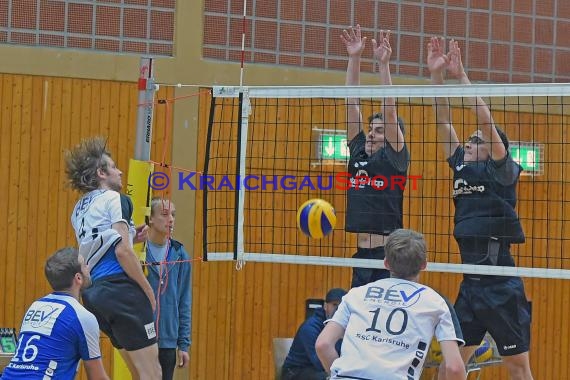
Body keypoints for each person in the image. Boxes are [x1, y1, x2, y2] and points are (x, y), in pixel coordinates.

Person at [427, 37, 533, 380]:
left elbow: (486, 121)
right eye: (470, 139)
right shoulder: (460, 164)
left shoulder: (501, 171)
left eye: (478, 140)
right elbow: (443, 122)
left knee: (517, 366)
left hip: (501, 285)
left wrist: (462, 77)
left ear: (492, 148)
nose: (471, 142)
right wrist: (436, 76)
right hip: (470, 285)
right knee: (452, 364)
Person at [65, 137, 162, 380]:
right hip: (121, 290)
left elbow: (99, 246)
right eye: (114, 166)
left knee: (138, 373)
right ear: (101, 172)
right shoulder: (117, 199)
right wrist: (148, 291)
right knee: (152, 374)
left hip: (94, 295)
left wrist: (130, 235)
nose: (120, 172)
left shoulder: (79, 209)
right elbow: (121, 252)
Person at [315, 229, 466, 380]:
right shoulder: (435, 302)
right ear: (424, 265)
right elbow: (454, 367)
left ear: (386, 263)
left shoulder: (355, 295)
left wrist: (339, 374)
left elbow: (323, 344)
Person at [340, 25, 409, 288]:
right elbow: (351, 102)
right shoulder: (358, 151)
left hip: (387, 258)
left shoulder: (395, 159)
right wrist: (354, 58)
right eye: (371, 129)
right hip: (361, 257)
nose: (371, 134)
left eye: (379, 131)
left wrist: (383, 64)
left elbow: (389, 113)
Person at [1, 248, 109, 380]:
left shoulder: (35, 306)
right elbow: (97, 377)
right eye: (85, 264)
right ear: (78, 278)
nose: (88, 267)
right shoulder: (83, 316)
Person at [146, 197, 192, 380]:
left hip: (167, 341)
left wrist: (183, 344)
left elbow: (184, 301)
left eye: (173, 215)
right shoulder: (135, 250)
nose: (171, 219)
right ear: (150, 218)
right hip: (140, 338)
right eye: (164, 214)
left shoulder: (180, 254)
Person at [281, 288, 347, 380]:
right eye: (334, 304)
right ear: (325, 306)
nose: (337, 309)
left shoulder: (342, 327)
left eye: (341, 306)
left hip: (316, 370)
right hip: (294, 371)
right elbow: (320, 363)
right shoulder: (310, 327)